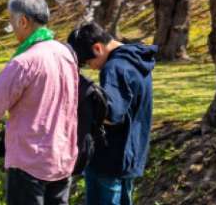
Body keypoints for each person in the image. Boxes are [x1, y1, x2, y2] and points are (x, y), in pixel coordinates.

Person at [0, 0, 78, 205]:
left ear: (23, 21)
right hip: (61, 155)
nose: (11, 29)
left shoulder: (25, 61)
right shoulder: (64, 53)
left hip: (30, 160)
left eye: (11, 22)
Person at [67, 22, 157, 205]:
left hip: (108, 159)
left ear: (98, 48)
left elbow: (111, 115)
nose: (92, 68)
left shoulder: (114, 68)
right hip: (130, 154)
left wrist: (85, 99)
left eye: (88, 62)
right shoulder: (136, 58)